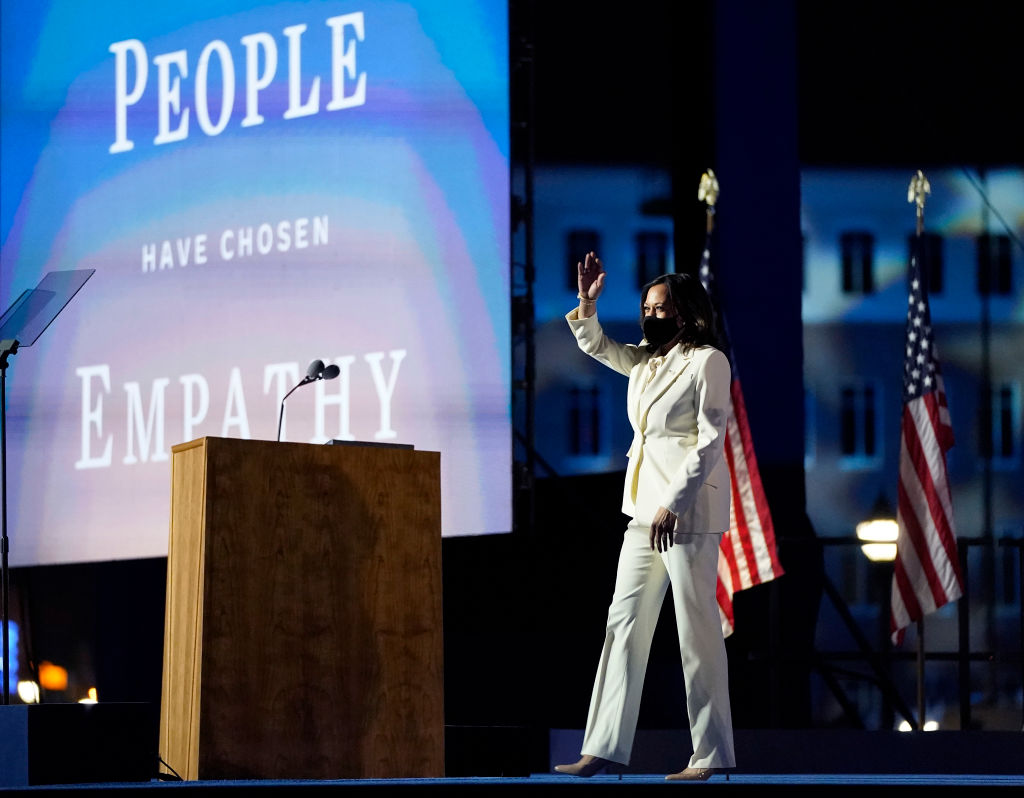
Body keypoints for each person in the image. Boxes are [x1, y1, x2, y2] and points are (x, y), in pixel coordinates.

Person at [553, 251, 736, 781]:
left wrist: (673, 503)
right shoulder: (646, 361)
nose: (651, 316)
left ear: (686, 312)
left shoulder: (707, 361)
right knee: (623, 624)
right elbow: (597, 345)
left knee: (695, 631)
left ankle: (710, 754)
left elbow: (710, 440)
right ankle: (603, 747)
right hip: (642, 511)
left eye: (661, 309)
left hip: (687, 510)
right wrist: (587, 303)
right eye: (646, 308)